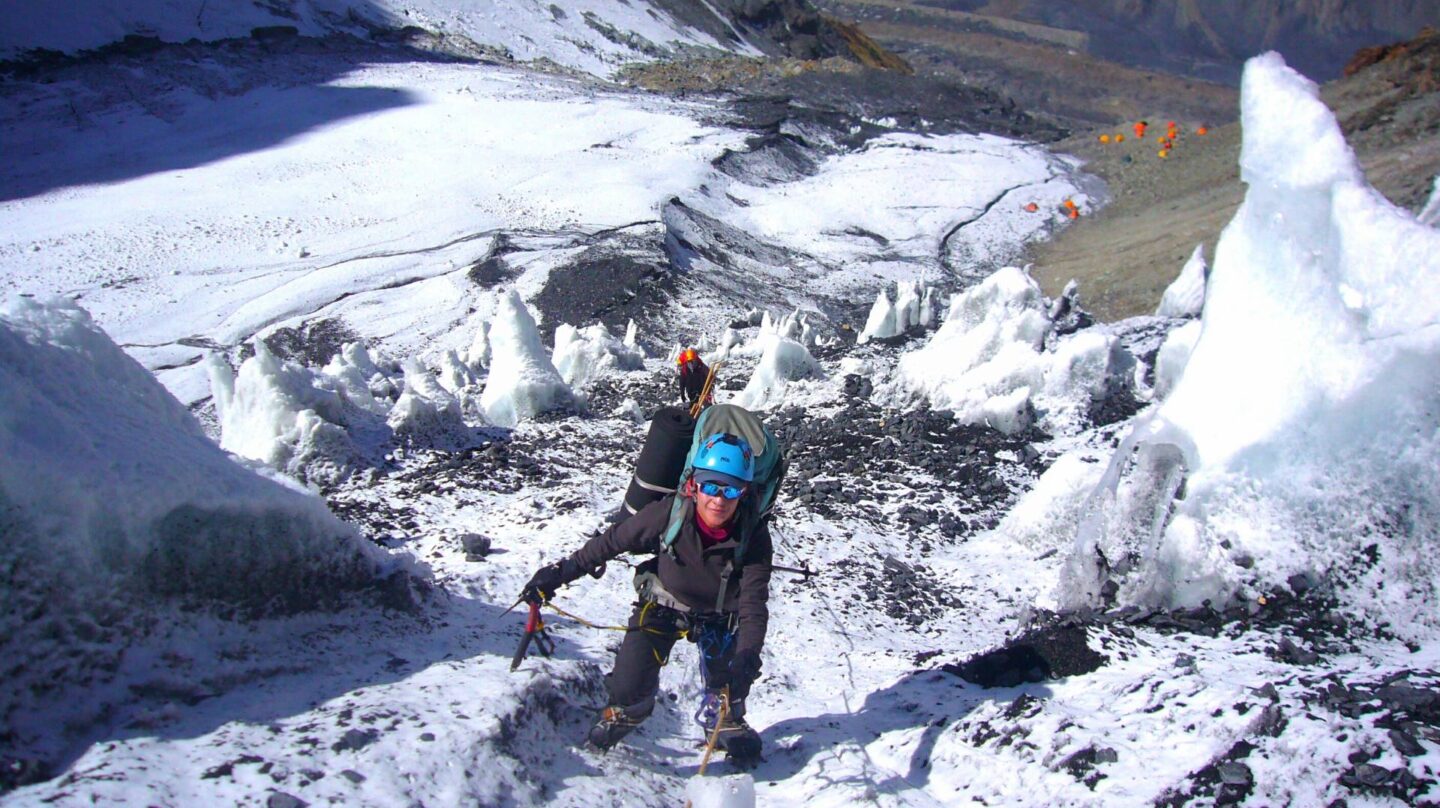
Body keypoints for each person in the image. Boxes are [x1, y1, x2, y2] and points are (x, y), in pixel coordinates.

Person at [522, 432, 771, 766]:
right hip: (663, 607)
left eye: (731, 489)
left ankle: (724, 717)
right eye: (711, 486)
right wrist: (559, 573)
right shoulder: (670, 513)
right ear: (694, 486)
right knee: (628, 686)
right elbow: (611, 542)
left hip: (720, 617)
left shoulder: (753, 534)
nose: (719, 500)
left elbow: (753, 605)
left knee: (732, 685)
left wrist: (748, 657)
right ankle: (628, 709)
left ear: (744, 492)